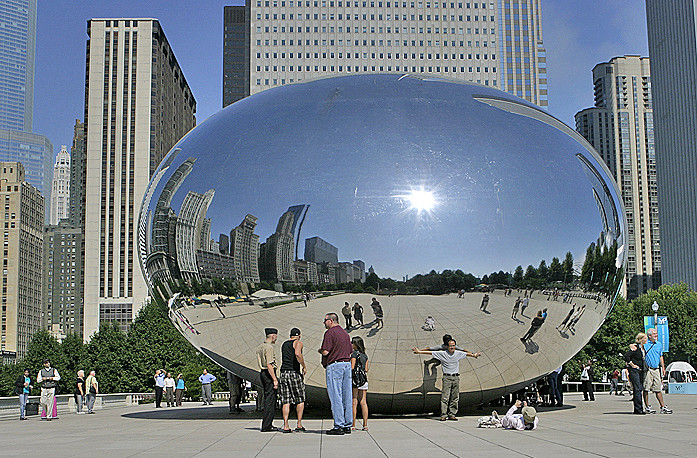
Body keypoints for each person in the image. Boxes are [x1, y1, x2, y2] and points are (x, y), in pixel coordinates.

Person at [412, 339, 481, 421]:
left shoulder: (458, 353)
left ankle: (452, 414)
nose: (452, 347)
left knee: (455, 398)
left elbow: (467, 354)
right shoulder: (443, 354)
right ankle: (443, 415)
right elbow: (431, 352)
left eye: (453, 345)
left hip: (456, 378)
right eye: (450, 346)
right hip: (447, 378)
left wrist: (474, 355)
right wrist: (419, 352)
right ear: (447, 347)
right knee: (445, 397)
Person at [319, 313, 353, 435]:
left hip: (335, 366)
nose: (324, 323)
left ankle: (339, 425)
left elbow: (326, 351)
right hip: (346, 365)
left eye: (325, 320)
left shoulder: (330, 333)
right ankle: (348, 424)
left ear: (331, 320)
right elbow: (350, 350)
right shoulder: (345, 333)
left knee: (336, 396)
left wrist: (321, 350)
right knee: (347, 395)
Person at [280, 327, 307, 432]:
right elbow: (297, 354)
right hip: (293, 373)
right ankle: (299, 424)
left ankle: (286, 425)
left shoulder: (284, 344)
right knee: (300, 399)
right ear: (299, 335)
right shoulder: (298, 343)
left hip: (283, 373)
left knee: (286, 400)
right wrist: (303, 366)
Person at [641, 327, 672, 414]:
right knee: (646, 388)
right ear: (649, 335)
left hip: (656, 369)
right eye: (654, 334)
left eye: (656, 334)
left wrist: (663, 367)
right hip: (648, 370)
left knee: (658, 388)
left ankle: (662, 407)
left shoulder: (658, 344)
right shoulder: (645, 344)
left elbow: (660, 356)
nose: (656, 335)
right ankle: (647, 406)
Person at [257, 328, 279, 432]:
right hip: (269, 373)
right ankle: (267, 425)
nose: (276, 338)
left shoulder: (260, 347)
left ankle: (267, 424)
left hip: (262, 373)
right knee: (270, 400)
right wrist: (274, 379)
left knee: (267, 398)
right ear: (272, 336)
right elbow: (269, 364)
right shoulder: (269, 348)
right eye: (276, 336)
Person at [625, 332, 647, 414]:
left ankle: (639, 408)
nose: (646, 340)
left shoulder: (644, 348)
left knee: (639, 388)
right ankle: (638, 409)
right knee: (637, 388)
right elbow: (626, 356)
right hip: (634, 370)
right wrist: (631, 364)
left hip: (641, 370)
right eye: (644, 338)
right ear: (640, 340)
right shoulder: (635, 348)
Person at [351, 336, 369, 431]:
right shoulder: (365, 355)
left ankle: (353, 424)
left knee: (354, 401)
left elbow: (352, 367)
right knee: (363, 402)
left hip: (355, 380)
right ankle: (365, 424)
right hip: (363, 380)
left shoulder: (354, 354)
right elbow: (366, 369)